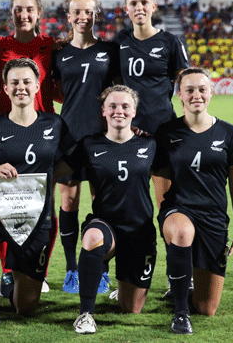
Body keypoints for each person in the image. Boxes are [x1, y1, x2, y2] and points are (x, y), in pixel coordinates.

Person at [0, 58, 75, 333]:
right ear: (5, 89)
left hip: (36, 219)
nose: (20, 87)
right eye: (14, 83)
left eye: (26, 82)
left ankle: (9, 284)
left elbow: (74, 159)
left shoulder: (55, 124)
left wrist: (48, 176)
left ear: (37, 86)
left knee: (26, 308)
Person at [57, 85, 163, 334]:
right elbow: (56, 170)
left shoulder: (150, 144)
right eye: (112, 106)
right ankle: (85, 314)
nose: (119, 111)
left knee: (131, 309)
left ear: (134, 111)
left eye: (125, 106)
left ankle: (123, 289)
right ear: (103, 111)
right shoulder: (89, 144)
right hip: (106, 225)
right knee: (93, 237)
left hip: (139, 231)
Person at [154, 67, 233, 334]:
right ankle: (180, 313)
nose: (196, 95)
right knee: (183, 232)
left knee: (207, 308)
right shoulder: (166, 132)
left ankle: (185, 283)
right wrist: (166, 218)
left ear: (211, 93)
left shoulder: (229, 133)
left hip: (214, 219)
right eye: (190, 90)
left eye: (202, 89)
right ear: (180, 96)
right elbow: (159, 179)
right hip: (179, 210)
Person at [51, 0, 119, 294]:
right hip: (68, 137)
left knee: (102, 204)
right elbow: (51, 88)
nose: (82, 16)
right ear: (69, 16)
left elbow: (120, 92)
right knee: (68, 202)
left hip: (101, 138)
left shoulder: (109, 50)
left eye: (88, 12)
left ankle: (101, 269)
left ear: (96, 15)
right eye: (77, 12)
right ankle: (71, 269)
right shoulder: (59, 52)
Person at [0, 0, 58, 294]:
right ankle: (8, 271)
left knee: (45, 208)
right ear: (12, 13)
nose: (24, 14)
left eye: (29, 9)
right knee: (8, 204)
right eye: (18, 9)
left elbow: (58, 86)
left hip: (43, 130)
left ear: (38, 13)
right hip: (6, 131)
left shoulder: (50, 45)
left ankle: (38, 270)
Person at [112, 0, 189, 135]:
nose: (139, 7)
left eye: (144, 2)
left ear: (153, 7)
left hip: (164, 127)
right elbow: (115, 83)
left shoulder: (170, 42)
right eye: (133, 3)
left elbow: (185, 83)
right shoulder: (119, 41)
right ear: (127, 9)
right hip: (129, 129)